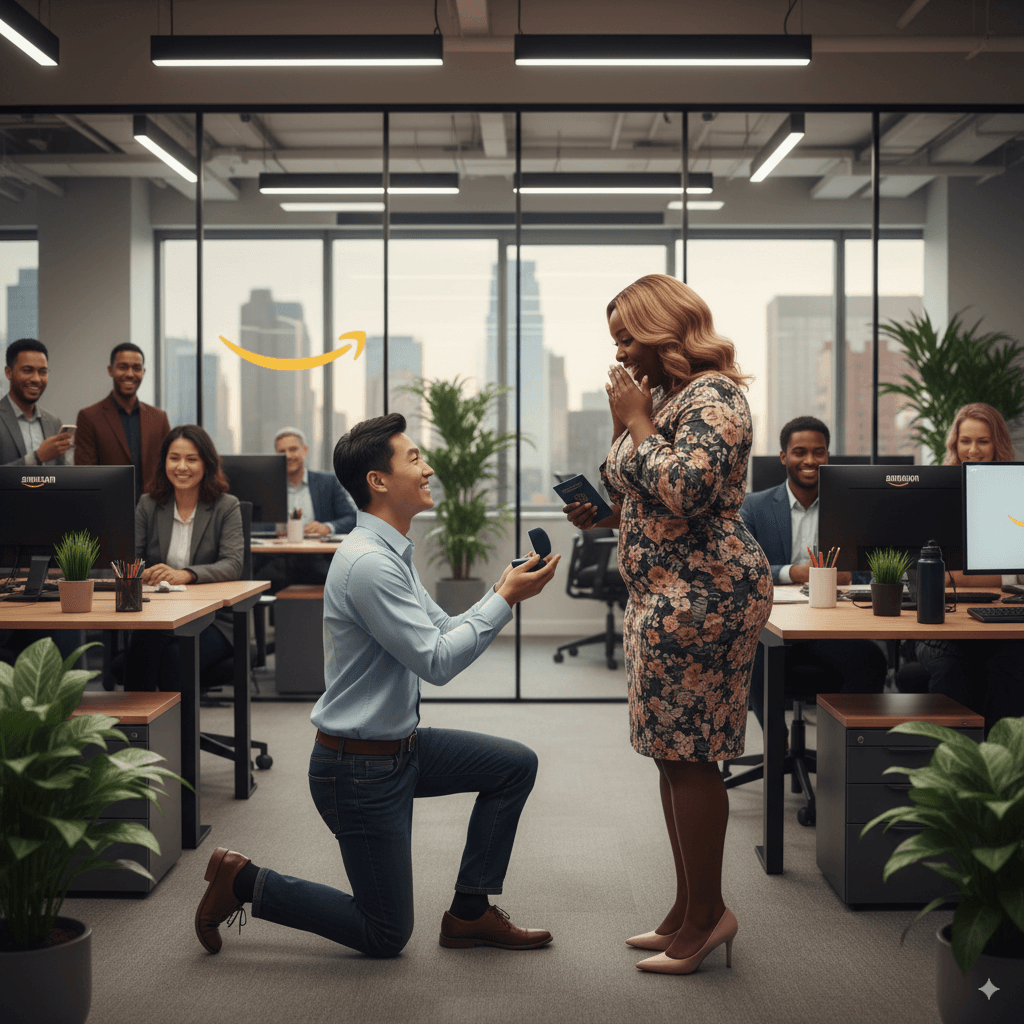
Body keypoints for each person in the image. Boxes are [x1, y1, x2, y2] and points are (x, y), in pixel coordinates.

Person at [195, 413, 560, 959]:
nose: (428, 467)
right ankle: (243, 881)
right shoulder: (369, 564)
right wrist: (504, 598)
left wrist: (500, 591)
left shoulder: (391, 552)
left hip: (400, 750)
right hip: (357, 772)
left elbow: (438, 630)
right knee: (385, 933)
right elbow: (436, 662)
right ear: (378, 481)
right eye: (414, 458)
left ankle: (469, 913)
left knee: (515, 765)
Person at [563, 274, 772, 975]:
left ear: (665, 331)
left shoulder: (716, 396)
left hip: (706, 596)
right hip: (662, 596)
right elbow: (645, 491)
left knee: (691, 753)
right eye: (615, 338)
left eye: (628, 336)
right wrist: (604, 509)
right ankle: (688, 908)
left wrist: (637, 422)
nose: (619, 351)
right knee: (671, 752)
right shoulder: (665, 401)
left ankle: (709, 918)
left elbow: (689, 488)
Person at [740, 416, 887, 729]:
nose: (810, 460)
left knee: (871, 661)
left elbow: (869, 573)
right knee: (753, 659)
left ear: (828, 456)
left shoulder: (850, 508)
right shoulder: (754, 507)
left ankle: (838, 750)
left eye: (818, 452)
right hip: (772, 626)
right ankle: (776, 751)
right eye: (799, 452)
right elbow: (744, 569)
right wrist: (797, 572)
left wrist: (850, 576)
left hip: (829, 625)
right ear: (784, 457)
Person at [915, 402, 1023, 733]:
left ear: (997, 444)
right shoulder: (937, 491)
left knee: (1010, 667)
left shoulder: (1013, 489)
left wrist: (966, 573)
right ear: (954, 444)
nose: (972, 450)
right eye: (965, 441)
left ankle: (1001, 770)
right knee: (952, 670)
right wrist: (1007, 573)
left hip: (1002, 623)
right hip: (945, 624)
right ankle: (950, 772)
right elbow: (933, 573)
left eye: (983, 441)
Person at [124, 424, 242, 691]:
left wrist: (185, 574)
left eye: (192, 459)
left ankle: (179, 733)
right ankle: (138, 730)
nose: (182, 467)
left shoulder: (226, 506)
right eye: (174, 458)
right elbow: (131, 559)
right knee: (146, 643)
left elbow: (233, 565)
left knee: (174, 659)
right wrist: (144, 573)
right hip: (158, 613)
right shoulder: (149, 504)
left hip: (213, 619)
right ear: (164, 461)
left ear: (207, 463)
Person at [251, 426, 359, 592]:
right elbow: (252, 524)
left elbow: (352, 517)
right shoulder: (266, 487)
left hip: (318, 558)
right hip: (279, 559)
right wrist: (276, 529)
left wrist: (327, 527)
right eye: (282, 452)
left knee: (351, 582)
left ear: (305, 450)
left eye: (293, 449)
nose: (288, 456)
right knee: (254, 585)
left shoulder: (328, 483)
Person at [75, 342, 171, 500]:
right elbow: (86, 476)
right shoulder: (89, 417)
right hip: (109, 511)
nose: (130, 374)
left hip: (153, 512)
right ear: (110, 370)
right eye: (123, 367)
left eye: (137, 368)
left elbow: (167, 467)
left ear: (143, 372)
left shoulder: (159, 418)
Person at [1, 339, 73, 467]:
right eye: (27, 370)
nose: (36, 379)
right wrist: (38, 457)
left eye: (43, 372)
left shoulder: (53, 422)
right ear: (8, 372)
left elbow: (63, 474)